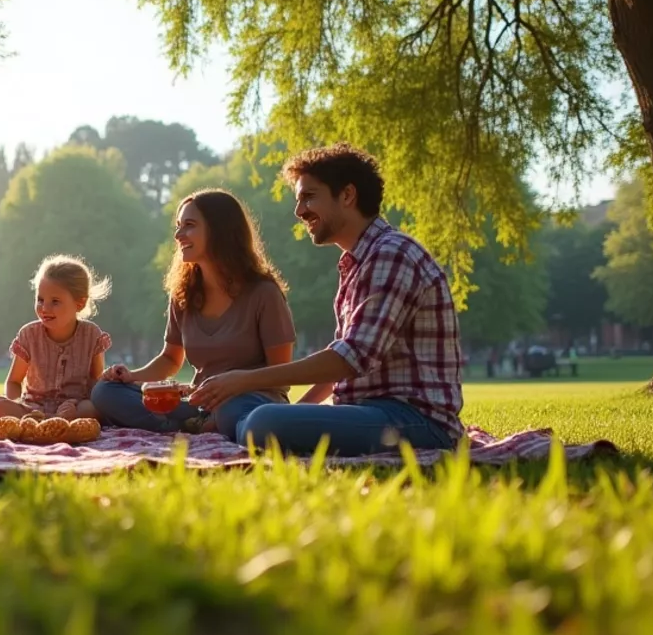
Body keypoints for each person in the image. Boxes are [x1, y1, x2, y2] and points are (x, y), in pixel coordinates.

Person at [190, 143, 465, 456]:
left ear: (347, 195)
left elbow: (349, 359)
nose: (299, 211)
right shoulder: (359, 261)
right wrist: (294, 412)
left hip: (415, 421)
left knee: (262, 420)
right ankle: (245, 427)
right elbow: (340, 363)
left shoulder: (392, 254)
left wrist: (245, 380)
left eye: (309, 197)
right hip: (369, 411)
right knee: (238, 409)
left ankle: (247, 429)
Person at [91, 189, 296, 440]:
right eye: (178, 226)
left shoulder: (264, 293)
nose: (178, 235)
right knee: (105, 391)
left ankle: (189, 424)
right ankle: (192, 425)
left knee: (231, 410)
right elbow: (170, 359)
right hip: (199, 404)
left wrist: (235, 385)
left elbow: (281, 375)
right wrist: (132, 377)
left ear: (219, 230)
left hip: (250, 402)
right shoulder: (183, 294)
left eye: (189, 225)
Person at [0, 255, 113, 421]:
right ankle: (43, 421)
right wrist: (16, 403)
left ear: (79, 304)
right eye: (40, 300)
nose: (44, 308)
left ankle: (59, 420)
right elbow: (13, 382)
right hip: (33, 409)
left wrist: (77, 405)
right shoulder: (29, 335)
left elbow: (96, 382)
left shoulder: (92, 335)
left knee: (92, 408)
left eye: (55, 301)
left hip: (72, 408)